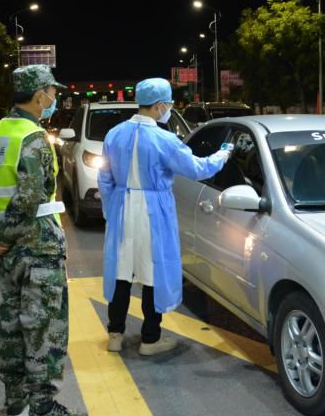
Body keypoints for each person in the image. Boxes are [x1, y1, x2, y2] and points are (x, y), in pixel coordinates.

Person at [98, 78, 231, 356]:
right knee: (152, 272)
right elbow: (197, 169)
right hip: (153, 211)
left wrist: (111, 212)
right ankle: (150, 339)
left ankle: (115, 334)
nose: (169, 108)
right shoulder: (165, 140)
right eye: (169, 104)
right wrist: (222, 155)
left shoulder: (114, 135)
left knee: (121, 271)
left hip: (122, 208)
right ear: (159, 105)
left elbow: (105, 178)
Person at [0, 65, 86, 416]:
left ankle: (15, 400)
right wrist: (6, 238)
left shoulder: (0, 131)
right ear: (39, 95)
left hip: (5, 250)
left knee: (10, 323)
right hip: (36, 246)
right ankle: (44, 408)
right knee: (43, 328)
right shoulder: (33, 138)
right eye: (52, 92)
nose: (54, 98)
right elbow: (30, 197)